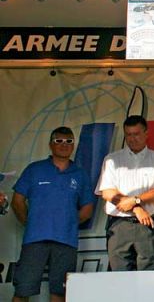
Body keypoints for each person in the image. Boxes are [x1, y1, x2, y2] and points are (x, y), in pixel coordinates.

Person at [11, 127, 94, 302]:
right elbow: (17, 201)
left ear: (73, 145)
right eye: (59, 141)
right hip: (35, 240)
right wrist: (29, 222)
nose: (64, 145)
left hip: (66, 241)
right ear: (50, 144)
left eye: (69, 141)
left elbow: (87, 209)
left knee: (60, 293)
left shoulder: (80, 175)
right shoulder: (34, 169)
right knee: (23, 290)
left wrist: (68, 223)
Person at [95, 115, 154, 271]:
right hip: (119, 225)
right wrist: (136, 207)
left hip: (147, 225)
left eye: (136, 134)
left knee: (149, 274)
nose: (132, 138)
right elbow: (107, 192)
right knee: (119, 275)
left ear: (146, 133)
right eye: (128, 134)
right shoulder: (112, 159)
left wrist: (136, 200)